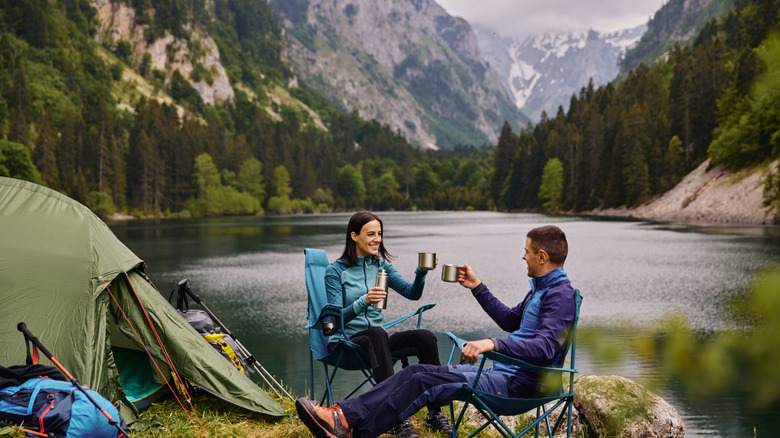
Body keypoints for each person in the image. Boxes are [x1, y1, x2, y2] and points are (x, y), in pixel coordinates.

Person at [297, 225, 577, 438]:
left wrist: (492, 344)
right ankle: (344, 415)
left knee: (424, 381)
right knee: (415, 372)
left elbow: (545, 349)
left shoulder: (559, 295)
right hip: (505, 374)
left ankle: (351, 427)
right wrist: (478, 288)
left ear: (542, 256)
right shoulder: (541, 290)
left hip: (519, 387)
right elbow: (509, 320)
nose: (523, 256)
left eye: (527, 251)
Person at [323, 211, 451, 437]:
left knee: (426, 337)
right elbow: (332, 322)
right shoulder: (335, 271)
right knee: (376, 333)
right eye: (370, 234)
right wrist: (364, 302)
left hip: (377, 341)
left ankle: (434, 413)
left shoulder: (382, 267)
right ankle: (395, 417)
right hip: (345, 343)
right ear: (354, 236)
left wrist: (421, 272)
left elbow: (412, 294)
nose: (376, 239)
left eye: (379, 234)